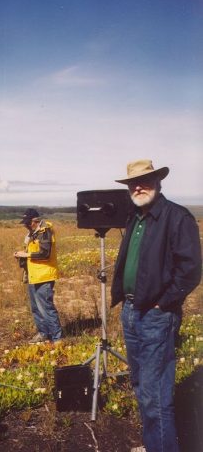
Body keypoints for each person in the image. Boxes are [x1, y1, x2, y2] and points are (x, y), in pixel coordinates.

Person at [111, 159, 202, 452]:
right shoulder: (135, 218)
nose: (138, 187)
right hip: (131, 312)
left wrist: (164, 304)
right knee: (140, 386)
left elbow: (190, 269)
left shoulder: (176, 217)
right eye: (132, 183)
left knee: (155, 397)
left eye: (145, 180)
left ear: (158, 182)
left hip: (156, 316)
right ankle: (154, 445)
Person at [14, 208, 62, 344]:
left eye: (27, 223)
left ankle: (57, 339)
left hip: (44, 275)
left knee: (46, 308)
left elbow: (45, 254)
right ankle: (43, 333)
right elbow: (32, 251)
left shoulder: (45, 232)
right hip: (33, 275)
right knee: (36, 308)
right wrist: (21, 255)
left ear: (35, 221)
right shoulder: (32, 233)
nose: (25, 225)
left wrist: (26, 255)